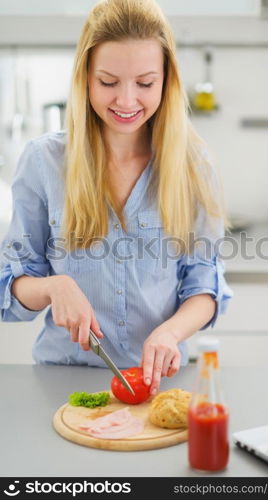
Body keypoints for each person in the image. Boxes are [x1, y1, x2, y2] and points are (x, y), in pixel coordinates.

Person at [0, 0, 232, 396]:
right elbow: (11, 284)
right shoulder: (43, 161)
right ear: (86, 79)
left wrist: (170, 332)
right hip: (64, 380)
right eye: (108, 82)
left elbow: (205, 287)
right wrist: (53, 287)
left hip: (159, 381)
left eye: (145, 83)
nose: (126, 101)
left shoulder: (192, 164)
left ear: (166, 81)